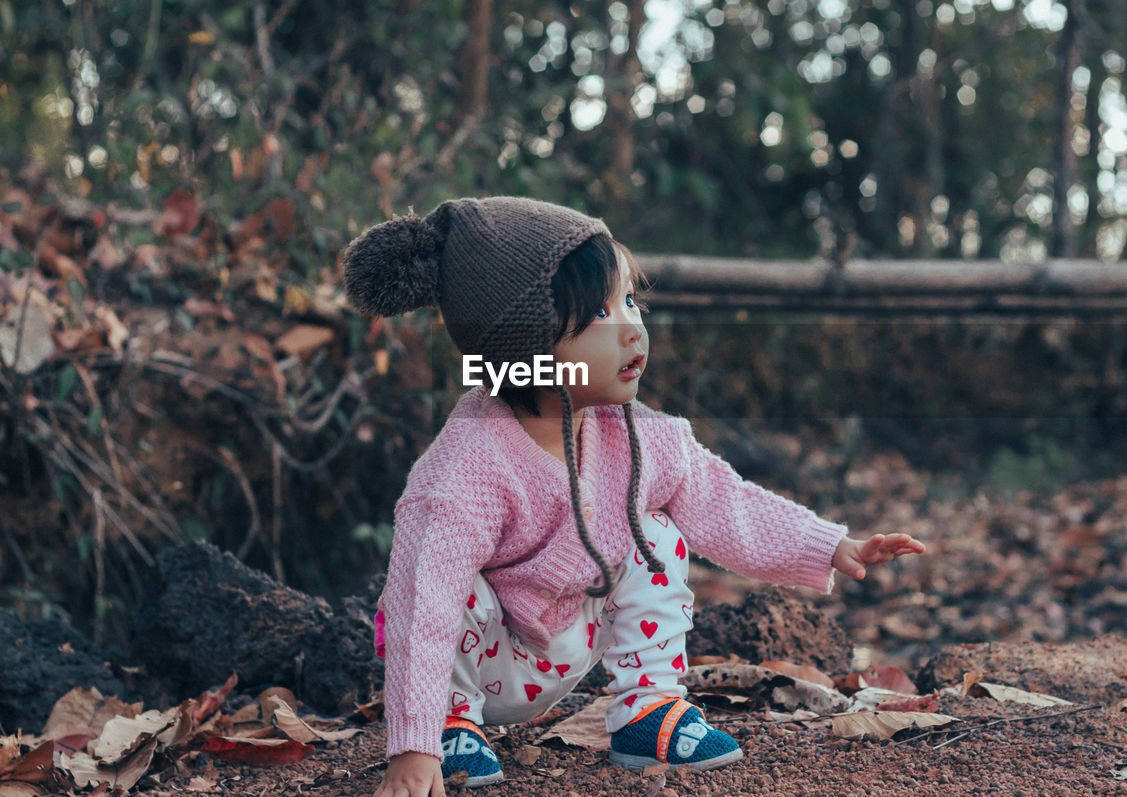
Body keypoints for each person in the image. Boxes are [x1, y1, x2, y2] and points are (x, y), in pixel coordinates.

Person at [342, 197, 925, 797]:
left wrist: (831, 546)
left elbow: (724, 501)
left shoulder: (635, 435)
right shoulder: (466, 468)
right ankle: (448, 725)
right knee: (441, 574)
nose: (632, 326)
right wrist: (411, 747)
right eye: (600, 311)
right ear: (527, 344)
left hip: (565, 650)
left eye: (629, 301)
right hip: (477, 661)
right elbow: (421, 605)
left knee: (658, 534)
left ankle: (648, 711)